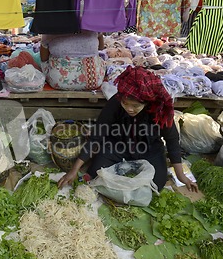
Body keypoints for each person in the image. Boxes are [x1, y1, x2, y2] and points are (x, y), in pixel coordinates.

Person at [58, 66, 198, 192]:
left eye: (135, 106)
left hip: (149, 150)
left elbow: (172, 140)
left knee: (157, 184)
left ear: (147, 102)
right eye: (125, 104)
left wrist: (181, 176)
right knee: (95, 173)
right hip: (118, 146)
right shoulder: (116, 102)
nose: (129, 109)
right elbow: (97, 136)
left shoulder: (159, 110)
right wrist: (74, 169)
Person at [40, 29, 106, 90]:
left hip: (58, 82)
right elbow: (101, 47)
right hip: (93, 81)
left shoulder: (50, 28)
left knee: (44, 62)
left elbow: (43, 58)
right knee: (100, 59)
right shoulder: (93, 26)